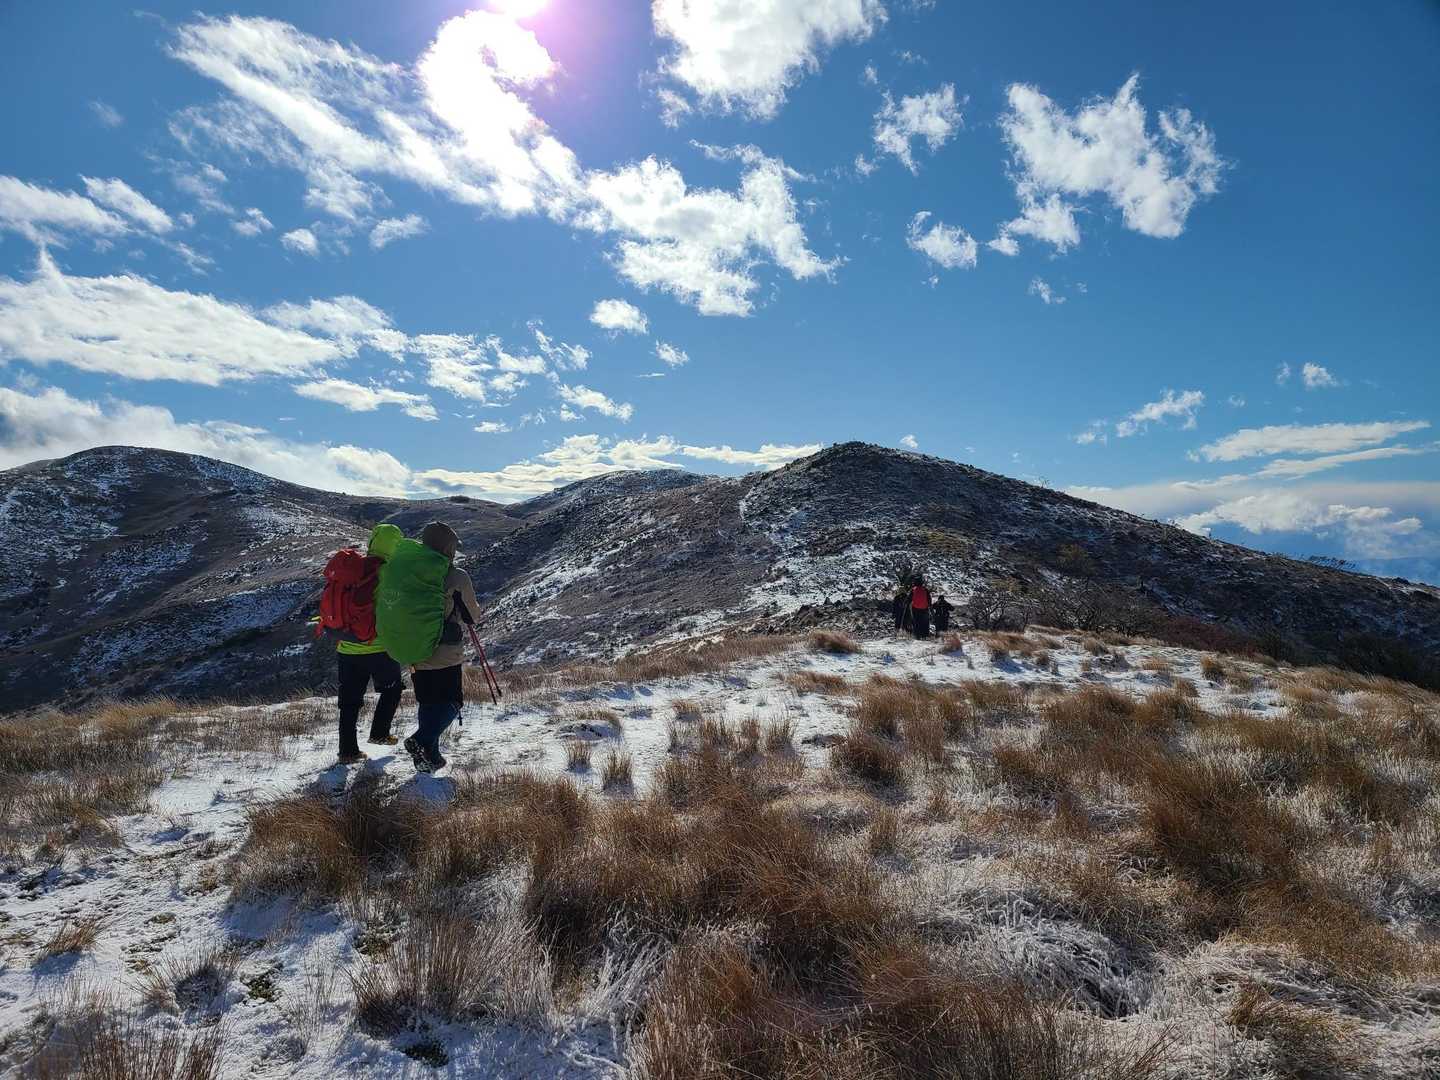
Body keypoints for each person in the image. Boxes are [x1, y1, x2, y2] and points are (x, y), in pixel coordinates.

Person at [403, 521, 481, 774]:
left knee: (428, 702)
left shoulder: (408, 572)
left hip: (414, 648)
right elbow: (472, 615)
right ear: (448, 548)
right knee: (452, 702)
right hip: (445, 651)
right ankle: (420, 740)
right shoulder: (457, 576)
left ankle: (430, 758)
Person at [327, 524, 405, 765]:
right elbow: (394, 610)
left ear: (372, 542)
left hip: (346, 647)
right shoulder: (390, 574)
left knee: (349, 702)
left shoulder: (353, 570)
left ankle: (347, 751)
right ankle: (380, 733)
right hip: (378, 647)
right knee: (392, 689)